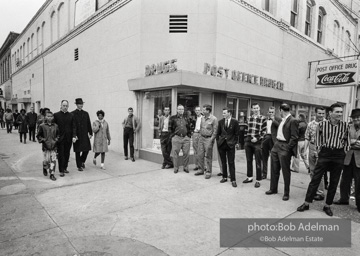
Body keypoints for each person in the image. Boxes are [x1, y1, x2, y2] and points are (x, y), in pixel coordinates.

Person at [297, 103, 350, 216]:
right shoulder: (321, 125)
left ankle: (327, 205)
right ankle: (306, 203)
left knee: (334, 182)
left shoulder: (345, 125)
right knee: (315, 178)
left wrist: (343, 151)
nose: (340, 114)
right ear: (330, 113)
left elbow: (347, 142)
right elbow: (317, 139)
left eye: (341, 112)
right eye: (337, 112)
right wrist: (320, 150)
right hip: (325, 153)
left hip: (338, 154)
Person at [265, 103, 299, 201]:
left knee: (285, 171)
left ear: (281, 110)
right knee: (274, 169)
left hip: (285, 147)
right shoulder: (282, 120)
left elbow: (294, 137)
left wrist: (288, 148)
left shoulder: (293, 120)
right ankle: (273, 189)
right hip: (277, 145)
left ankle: (286, 193)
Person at [333, 108, 360, 213]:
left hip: (359, 160)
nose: (356, 119)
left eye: (358, 117)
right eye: (354, 118)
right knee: (345, 180)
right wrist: (353, 142)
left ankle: (359, 204)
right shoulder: (348, 127)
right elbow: (342, 140)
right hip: (348, 157)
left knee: (359, 182)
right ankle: (344, 199)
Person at [303, 107, 326, 201]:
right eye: (319, 113)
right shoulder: (310, 124)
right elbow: (307, 137)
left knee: (320, 171)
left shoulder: (327, 124)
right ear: (315, 113)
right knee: (312, 171)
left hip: (322, 149)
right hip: (312, 147)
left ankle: (320, 193)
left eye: (322, 113)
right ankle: (315, 190)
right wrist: (304, 150)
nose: (321, 115)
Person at [243, 103, 267, 187]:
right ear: (252, 109)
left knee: (258, 161)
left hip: (257, 142)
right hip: (248, 142)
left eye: (257, 108)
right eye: (254, 108)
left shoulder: (263, 118)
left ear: (259, 108)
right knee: (249, 160)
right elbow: (246, 129)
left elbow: (264, 131)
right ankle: (249, 177)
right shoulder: (249, 118)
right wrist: (246, 139)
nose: (255, 110)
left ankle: (258, 180)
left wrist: (257, 138)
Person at [217, 107, 239, 187]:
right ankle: (224, 177)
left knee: (231, 162)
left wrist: (234, 143)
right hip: (222, 144)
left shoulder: (235, 122)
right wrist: (218, 142)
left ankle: (233, 179)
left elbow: (237, 134)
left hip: (230, 145)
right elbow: (218, 133)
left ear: (229, 113)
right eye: (223, 113)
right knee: (223, 162)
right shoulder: (220, 122)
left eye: (224, 113)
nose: (223, 114)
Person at [195, 104, 218, 179]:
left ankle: (208, 171)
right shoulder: (202, 118)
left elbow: (215, 131)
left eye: (204, 109)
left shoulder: (214, 119)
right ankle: (201, 169)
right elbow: (201, 127)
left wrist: (211, 140)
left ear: (208, 111)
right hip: (201, 138)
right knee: (200, 154)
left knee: (208, 156)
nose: (202, 111)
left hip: (208, 139)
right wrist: (199, 137)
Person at [54, 100, 75, 177]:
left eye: (66, 106)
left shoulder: (71, 115)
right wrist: (55, 137)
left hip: (68, 138)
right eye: (64, 105)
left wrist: (74, 136)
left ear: (68, 106)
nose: (65, 107)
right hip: (60, 138)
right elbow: (54, 127)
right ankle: (61, 170)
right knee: (61, 155)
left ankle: (65, 167)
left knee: (67, 154)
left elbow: (74, 127)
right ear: (61, 106)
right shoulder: (56, 115)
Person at [36, 111, 59, 181]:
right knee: (46, 160)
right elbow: (38, 136)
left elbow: (58, 135)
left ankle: (52, 174)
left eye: (51, 116)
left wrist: (56, 140)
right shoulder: (42, 126)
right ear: (45, 117)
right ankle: (45, 168)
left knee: (53, 160)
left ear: (53, 117)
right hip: (46, 147)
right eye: (48, 116)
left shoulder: (55, 126)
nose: (50, 118)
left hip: (54, 146)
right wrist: (43, 140)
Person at [169, 104, 192, 173]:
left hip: (185, 138)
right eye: (179, 109)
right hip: (176, 138)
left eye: (182, 109)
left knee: (186, 154)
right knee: (175, 154)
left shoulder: (187, 118)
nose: (181, 110)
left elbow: (190, 127)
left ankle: (186, 167)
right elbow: (169, 128)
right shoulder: (172, 118)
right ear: (177, 110)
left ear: (183, 110)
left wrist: (189, 136)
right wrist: (172, 136)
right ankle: (176, 168)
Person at [72, 98, 92, 171]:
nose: (80, 105)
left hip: (84, 134)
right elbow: (72, 125)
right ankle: (79, 166)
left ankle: (82, 161)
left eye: (81, 104)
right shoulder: (73, 114)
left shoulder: (86, 113)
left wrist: (90, 132)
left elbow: (88, 123)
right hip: (77, 135)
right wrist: (74, 135)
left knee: (86, 149)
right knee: (77, 151)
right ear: (76, 105)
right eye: (79, 104)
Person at [261, 106, 281, 180]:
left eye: (272, 112)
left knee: (273, 158)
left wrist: (273, 120)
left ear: (274, 112)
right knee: (264, 157)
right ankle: (264, 174)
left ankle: (273, 175)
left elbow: (280, 127)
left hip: (273, 140)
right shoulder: (265, 119)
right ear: (268, 112)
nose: (271, 113)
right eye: (270, 112)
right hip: (266, 138)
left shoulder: (278, 119)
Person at [192, 106, 203, 171]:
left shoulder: (203, 118)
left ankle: (202, 166)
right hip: (195, 134)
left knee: (201, 151)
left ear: (201, 111)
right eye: (196, 110)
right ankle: (196, 165)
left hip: (200, 134)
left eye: (198, 110)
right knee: (195, 151)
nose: (197, 111)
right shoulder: (195, 118)